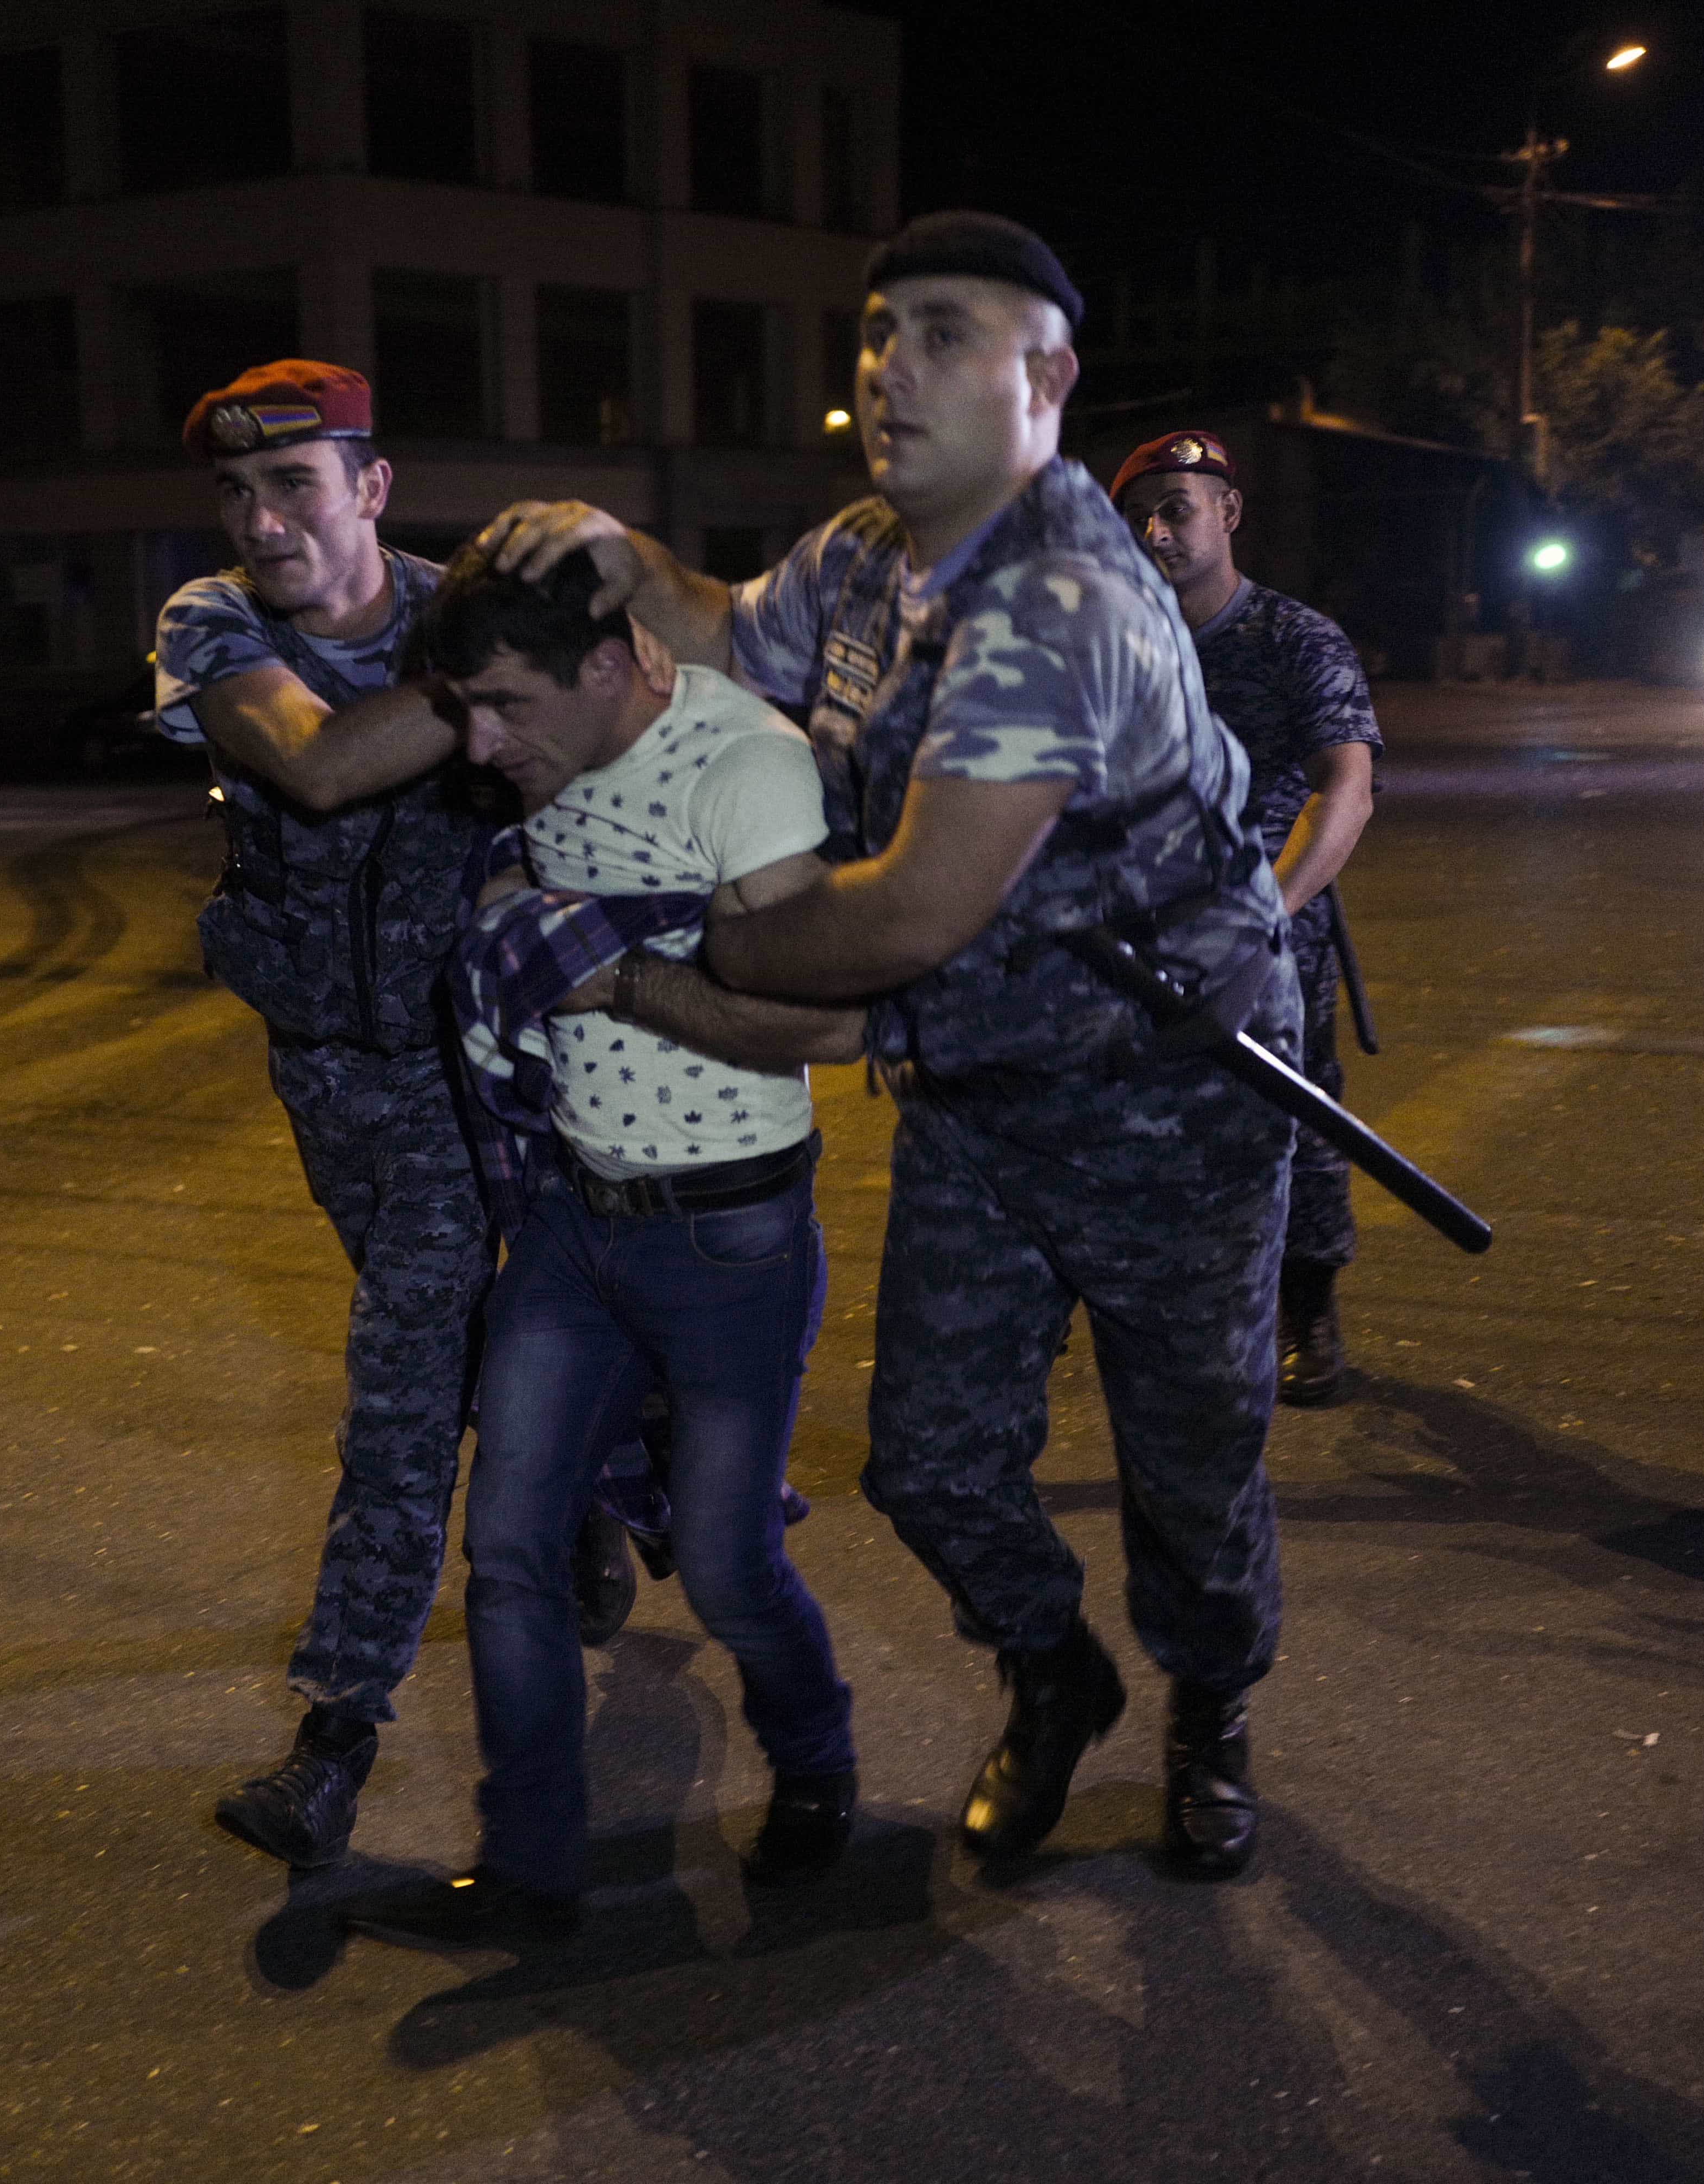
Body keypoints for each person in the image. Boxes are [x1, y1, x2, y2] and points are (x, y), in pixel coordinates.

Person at [481, 211, 1298, 1879]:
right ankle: (1054, 1673)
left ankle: (1210, 1711)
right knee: (926, 1461)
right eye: (874, 334)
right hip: (983, 1096)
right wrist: (622, 554)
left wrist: (668, 940)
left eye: (941, 332)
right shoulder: (868, 550)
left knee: (1190, 1481)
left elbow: (909, 911)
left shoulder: (1059, 594)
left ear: (1045, 375)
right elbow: (728, 629)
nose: (888, 367)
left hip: (1167, 1108)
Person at [340, 552, 866, 1950]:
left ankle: (816, 1765)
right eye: (461, 707)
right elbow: (541, 874)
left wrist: (616, 972)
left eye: (503, 704)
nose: (480, 744)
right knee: (508, 1548)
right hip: (575, 1225)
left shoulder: (745, 765)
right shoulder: (546, 769)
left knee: (728, 1560)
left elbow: (836, 1024)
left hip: (731, 1235)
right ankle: (532, 1870)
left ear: (618, 659)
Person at [156, 360, 631, 1872]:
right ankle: (589, 1487)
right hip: (329, 1071)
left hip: (483, 1066)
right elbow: (310, 764)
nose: (260, 519)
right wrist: (503, 674)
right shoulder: (210, 621)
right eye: (235, 491)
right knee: (457, 1337)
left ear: (372, 486)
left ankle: (337, 1730)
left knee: (405, 1378)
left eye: (294, 483)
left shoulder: (459, 608)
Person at [1114, 431, 1380, 1405]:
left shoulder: (1293, 640)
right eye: (1141, 515)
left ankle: (1307, 1305)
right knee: (1121, 1115)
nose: (1156, 532)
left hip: (1270, 924)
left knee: (1296, 1119)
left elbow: (1344, 788)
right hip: (1131, 928)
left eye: (1177, 508)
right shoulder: (1113, 647)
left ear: (1227, 512)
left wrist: (1269, 911)